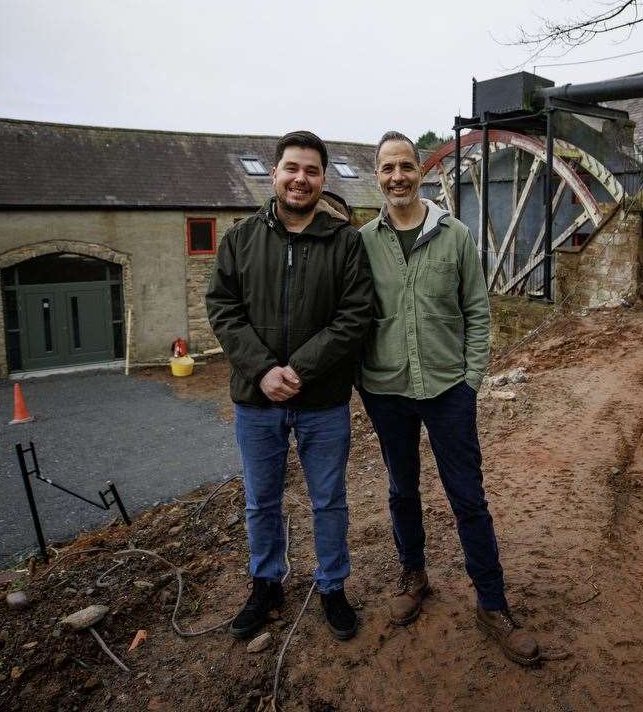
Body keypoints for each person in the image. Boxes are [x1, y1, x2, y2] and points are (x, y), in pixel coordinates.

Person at [357, 130, 540, 666]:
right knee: (401, 488)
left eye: (405, 166)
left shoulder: (455, 236)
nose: (397, 177)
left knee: (468, 497)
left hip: (447, 389)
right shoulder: (364, 241)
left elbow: (478, 311)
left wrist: (471, 379)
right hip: (386, 389)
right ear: (378, 177)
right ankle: (414, 576)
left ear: (421, 172)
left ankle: (491, 603)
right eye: (387, 168)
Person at [206, 130, 372, 642]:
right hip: (257, 400)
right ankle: (266, 584)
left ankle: (332, 586)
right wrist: (262, 370)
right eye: (292, 169)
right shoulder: (239, 239)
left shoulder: (345, 243)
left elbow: (356, 315)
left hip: (321, 399)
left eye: (312, 171)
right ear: (274, 174)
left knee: (329, 499)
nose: (301, 179)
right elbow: (222, 308)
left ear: (323, 180)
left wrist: (300, 369)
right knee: (261, 500)